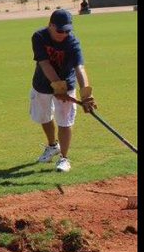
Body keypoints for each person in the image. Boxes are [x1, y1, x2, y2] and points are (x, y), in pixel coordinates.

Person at [30, 9, 95, 173]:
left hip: (67, 84)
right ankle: (53, 146)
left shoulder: (72, 42)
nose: (64, 34)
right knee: (44, 117)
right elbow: (44, 63)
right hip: (42, 84)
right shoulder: (39, 37)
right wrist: (58, 87)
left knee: (65, 121)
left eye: (67, 31)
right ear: (50, 25)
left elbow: (79, 68)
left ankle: (64, 158)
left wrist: (86, 94)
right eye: (60, 31)